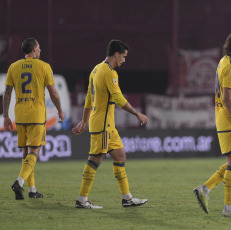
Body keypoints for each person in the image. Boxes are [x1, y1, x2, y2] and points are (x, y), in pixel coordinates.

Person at [72, 40, 149, 209]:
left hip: (106, 126)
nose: (124, 60)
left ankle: (127, 198)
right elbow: (119, 99)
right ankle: (82, 200)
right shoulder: (109, 72)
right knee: (95, 159)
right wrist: (137, 114)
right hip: (103, 125)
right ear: (116, 54)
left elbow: (88, 99)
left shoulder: (95, 69)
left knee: (120, 156)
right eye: (123, 56)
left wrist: (84, 121)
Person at [193, 29, 231, 217]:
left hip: (229, 119)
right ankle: (228, 207)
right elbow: (227, 99)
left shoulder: (225, 62)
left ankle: (205, 189)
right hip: (229, 120)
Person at [3, 38, 64, 200]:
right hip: (36, 115)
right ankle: (19, 182)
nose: (41, 50)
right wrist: (59, 109)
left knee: (26, 153)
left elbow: (7, 94)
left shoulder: (13, 67)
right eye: (39, 48)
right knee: (35, 151)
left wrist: (6, 116)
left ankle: (32, 190)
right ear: (34, 50)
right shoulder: (44, 66)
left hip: (20, 115)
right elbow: (53, 93)